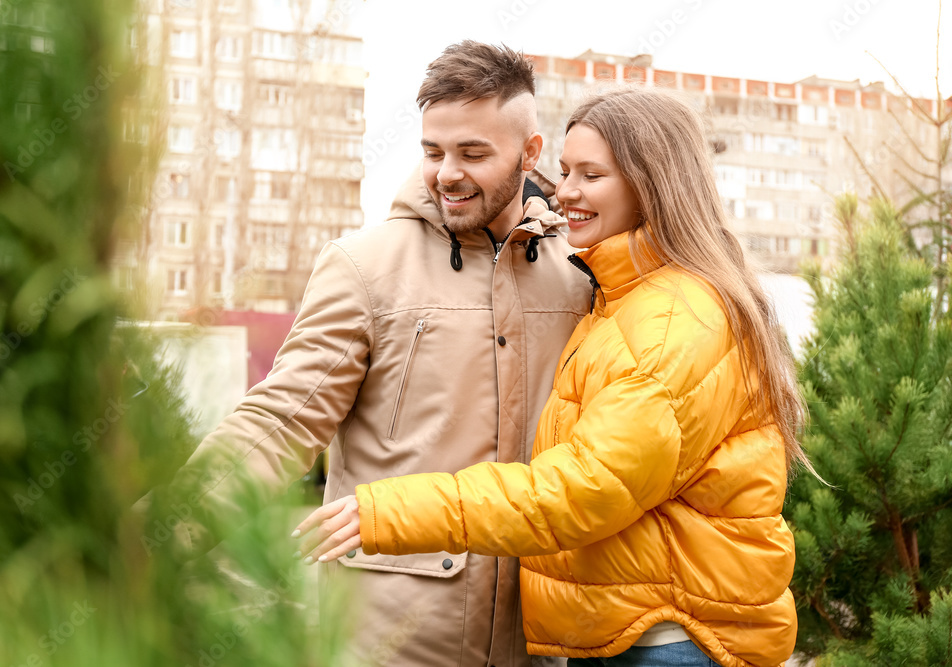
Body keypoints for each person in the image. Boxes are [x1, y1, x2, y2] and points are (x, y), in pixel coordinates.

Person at [295, 86, 811, 667]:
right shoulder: (620, 295)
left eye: (592, 175)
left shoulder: (672, 316)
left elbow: (583, 489)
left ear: (653, 184)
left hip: (670, 641)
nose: (565, 192)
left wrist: (391, 512)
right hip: (637, 629)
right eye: (565, 171)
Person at [162, 41, 589, 667]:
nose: (447, 172)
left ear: (530, 153)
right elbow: (280, 420)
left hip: (541, 642)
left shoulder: (577, 275)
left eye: (473, 153)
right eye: (433, 151)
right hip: (391, 643)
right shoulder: (364, 267)